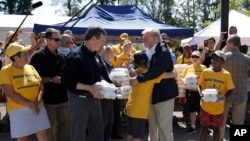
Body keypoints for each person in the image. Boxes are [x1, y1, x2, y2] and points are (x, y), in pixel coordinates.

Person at [129, 28, 178, 141]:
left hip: (164, 95)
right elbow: (133, 61)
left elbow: (157, 70)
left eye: (145, 38)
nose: (143, 40)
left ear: (155, 38)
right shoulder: (147, 51)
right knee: (152, 128)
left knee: (164, 128)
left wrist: (139, 78)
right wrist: (131, 69)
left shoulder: (163, 51)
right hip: (151, 94)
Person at [61, 26, 106, 141]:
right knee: (78, 135)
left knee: (98, 134)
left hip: (95, 100)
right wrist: (89, 88)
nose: (103, 44)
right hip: (79, 100)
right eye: (102, 41)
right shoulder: (76, 56)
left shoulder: (94, 56)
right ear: (93, 39)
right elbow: (66, 81)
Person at [0, 42, 50, 140]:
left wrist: (37, 101)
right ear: (15, 57)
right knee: (23, 138)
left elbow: (41, 87)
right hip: (18, 109)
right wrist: (30, 104)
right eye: (24, 54)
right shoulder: (6, 71)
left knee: (44, 132)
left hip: (38, 106)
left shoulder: (31, 67)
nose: (27, 55)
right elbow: (10, 94)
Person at [30, 28, 70, 141]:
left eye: (60, 39)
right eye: (56, 39)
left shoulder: (62, 56)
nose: (59, 42)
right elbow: (33, 79)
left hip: (63, 98)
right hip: (47, 100)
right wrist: (51, 80)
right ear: (47, 39)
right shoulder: (38, 56)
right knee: (49, 131)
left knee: (65, 129)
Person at [126, 51, 170, 141]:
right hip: (140, 111)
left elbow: (131, 66)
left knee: (130, 134)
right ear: (147, 61)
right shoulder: (150, 75)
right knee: (137, 137)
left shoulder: (136, 72)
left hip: (130, 107)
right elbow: (171, 74)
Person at [199, 50, 235, 141]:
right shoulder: (205, 72)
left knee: (216, 129)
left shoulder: (226, 75)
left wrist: (223, 98)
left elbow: (231, 90)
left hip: (218, 108)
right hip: (205, 106)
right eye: (213, 59)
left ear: (222, 62)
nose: (213, 61)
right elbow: (199, 85)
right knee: (204, 128)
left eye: (217, 59)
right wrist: (200, 92)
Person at [220, 34, 250, 140]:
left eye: (227, 43)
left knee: (221, 120)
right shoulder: (247, 59)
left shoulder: (223, 57)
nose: (226, 45)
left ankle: (220, 138)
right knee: (239, 122)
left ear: (231, 43)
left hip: (225, 93)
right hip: (241, 93)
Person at [181, 51, 206, 134]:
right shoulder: (188, 68)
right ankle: (193, 126)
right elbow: (182, 77)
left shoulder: (204, 68)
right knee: (192, 110)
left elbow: (207, 78)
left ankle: (204, 127)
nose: (194, 58)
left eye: (196, 57)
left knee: (202, 109)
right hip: (190, 91)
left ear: (200, 58)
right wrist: (184, 81)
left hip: (201, 92)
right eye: (193, 57)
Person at [99, 45, 115, 141]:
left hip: (110, 95)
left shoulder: (109, 64)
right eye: (111, 52)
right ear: (106, 53)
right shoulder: (102, 64)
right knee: (104, 122)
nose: (113, 54)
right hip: (104, 95)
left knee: (110, 121)